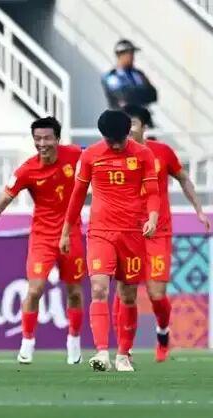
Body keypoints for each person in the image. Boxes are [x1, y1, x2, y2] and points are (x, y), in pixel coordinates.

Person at [0, 117, 85, 365]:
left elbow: (100, 158)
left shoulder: (74, 154)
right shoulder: (27, 170)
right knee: (34, 290)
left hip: (71, 233)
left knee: (74, 291)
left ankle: (74, 341)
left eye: (47, 138)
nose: (42, 144)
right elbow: (3, 200)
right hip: (42, 236)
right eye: (37, 139)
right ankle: (27, 342)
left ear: (57, 139)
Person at [60, 110, 159, 372]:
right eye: (110, 140)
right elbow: (77, 195)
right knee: (99, 288)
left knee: (128, 295)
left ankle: (123, 355)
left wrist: (152, 218)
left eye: (119, 140)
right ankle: (102, 352)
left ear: (128, 133)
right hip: (100, 232)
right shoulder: (91, 155)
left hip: (132, 233)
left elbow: (153, 192)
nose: (115, 146)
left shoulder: (143, 154)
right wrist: (66, 231)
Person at [117, 105, 210, 362]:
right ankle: (125, 348)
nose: (128, 129)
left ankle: (162, 331)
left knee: (156, 294)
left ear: (145, 127)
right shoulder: (115, 153)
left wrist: (199, 210)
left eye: (133, 123)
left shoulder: (162, 152)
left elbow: (184, 179)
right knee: (126, 293)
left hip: (158, 232)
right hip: (129, 233)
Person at [102, 39, 157, 110]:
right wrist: (142, 92)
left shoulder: (138, 74)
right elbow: (124, 95)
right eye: (129, 54)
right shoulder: (111, 76)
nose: (132, 57)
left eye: (132, 54)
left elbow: (153, 94)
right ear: (120, 55)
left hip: (141, 114)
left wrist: (134, 93)